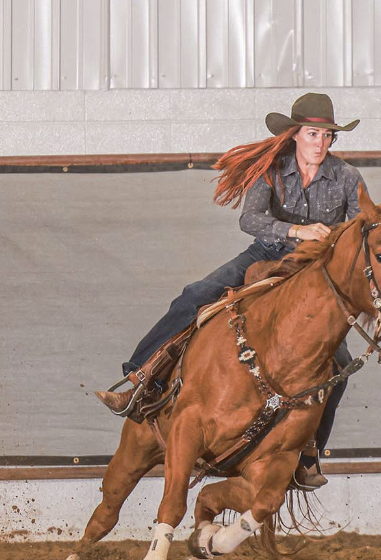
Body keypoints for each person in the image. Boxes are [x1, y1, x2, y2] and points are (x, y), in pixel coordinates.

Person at [98, 93, 366, 488]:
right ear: (295, 135)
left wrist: (334, 245)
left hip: (315, 273)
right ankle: (142, 380)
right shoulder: (272, 170)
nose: (321, 143)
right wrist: (296, 230)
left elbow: (361, 230)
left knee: (339, 366)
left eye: (327, 136)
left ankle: (308, 453)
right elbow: (250, 219)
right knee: (194, 295)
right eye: (313, 134)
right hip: (267, 252)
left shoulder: (347, 177)